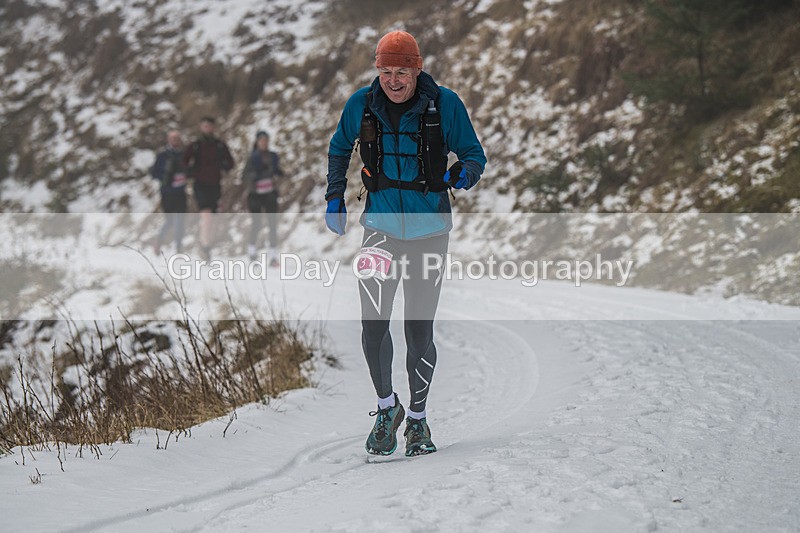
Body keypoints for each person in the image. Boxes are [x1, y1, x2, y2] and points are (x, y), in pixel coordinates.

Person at [325, 31, 486, 456]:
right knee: (373, 325)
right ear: (377, 70)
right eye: (386, 71)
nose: (393, 81)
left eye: (402, 72)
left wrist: (463, 174)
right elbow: (339, 149)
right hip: (379, 230)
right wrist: (333, 196)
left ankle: (417, 419)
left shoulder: (445, 105)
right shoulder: (361, 104)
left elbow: (474, 155)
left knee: (418, 329)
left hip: (429, 232)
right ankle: (386, 408)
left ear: (416, 70)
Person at [182, 117, 234, 261]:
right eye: (205, 126)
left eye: (210, 126)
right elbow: (184, 161)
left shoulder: (219, 145)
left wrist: (224, 166)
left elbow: (230, 162)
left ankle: (206, 242)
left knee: (214, 217)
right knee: (206, 214)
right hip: (200, 184)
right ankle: (205, 246)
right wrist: (190, 171)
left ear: (213, 128)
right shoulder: (196, 145)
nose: (207, 129)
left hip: (215, 184)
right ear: (201, 127)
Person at [241, 130, 284, 263]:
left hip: (270, 193)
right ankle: (252, 251)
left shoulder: (273, 156)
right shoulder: (252, 157)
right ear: (257, 142)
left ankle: (273, 255)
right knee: (257, 223)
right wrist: (255, 175)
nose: (264, 143)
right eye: (262, 140)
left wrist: (280, 174)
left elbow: (277, 170)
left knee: (272, 223)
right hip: (255, 195)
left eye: (266, 140)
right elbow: (244, 176)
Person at [150, 129, 188, 254]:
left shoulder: (183, 155)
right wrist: (166, 177)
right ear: (168, 140)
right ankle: (159, 241)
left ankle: (179, 247)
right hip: (167, 192)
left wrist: (184, 176)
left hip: (180, 192)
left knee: (180, 219)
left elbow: (189, 170)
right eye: (172, 138)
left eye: (177, 138)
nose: (175, 141)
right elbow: (154, 173)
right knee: (170, 220)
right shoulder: (162, 156)